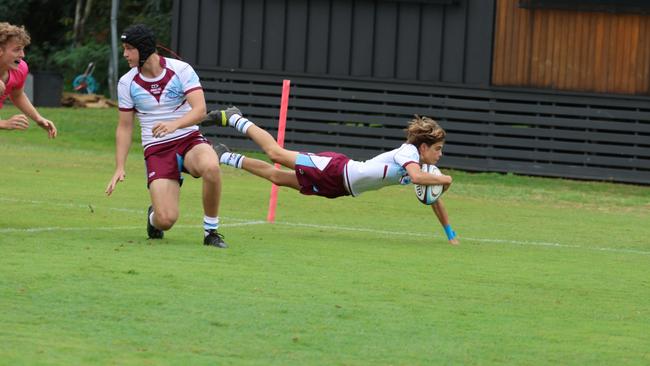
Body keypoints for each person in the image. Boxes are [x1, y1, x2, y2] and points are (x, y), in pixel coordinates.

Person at [207, 107, 460, 245]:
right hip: (334, 169)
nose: (440, 155)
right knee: (276, 154)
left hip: (340, 188)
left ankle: (223, 156)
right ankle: (235, 118)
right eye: (438, 149)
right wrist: (446, 180)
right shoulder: (408, 152)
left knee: (277, 177)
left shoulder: (423, 167)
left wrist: (450, 234)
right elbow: (417, 179)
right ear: (423, 147)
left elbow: (433, 198)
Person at [105, 24, 227, 248]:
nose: (125, 54)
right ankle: (153, 218)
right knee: (166, 220)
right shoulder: (126, 82)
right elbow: (124, 127)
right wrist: (119, 166)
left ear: (143, 49)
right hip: (157, 150)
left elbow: (199, 110)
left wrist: (175, 125)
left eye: (129, 49)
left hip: (189, 140)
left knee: (211, 166)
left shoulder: (181, 70)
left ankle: (211, 232)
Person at [0, 22, 57, 138]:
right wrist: (3, 123)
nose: (22, 55)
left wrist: (38, 118)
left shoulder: (20, 69)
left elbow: (17, 95)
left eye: (23, 50)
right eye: (17, 50)